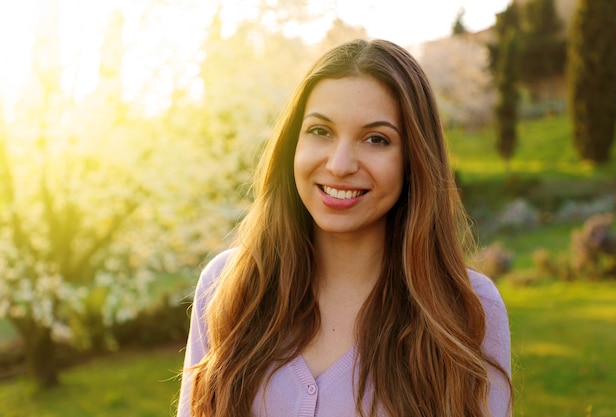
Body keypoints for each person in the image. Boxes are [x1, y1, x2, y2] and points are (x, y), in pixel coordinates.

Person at [176, 38, 512, 417]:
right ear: (292, 144)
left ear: (413, 159)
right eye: (321, 131)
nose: (339, 164)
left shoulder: (466, 308)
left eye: (376, 139)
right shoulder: (228, 285)